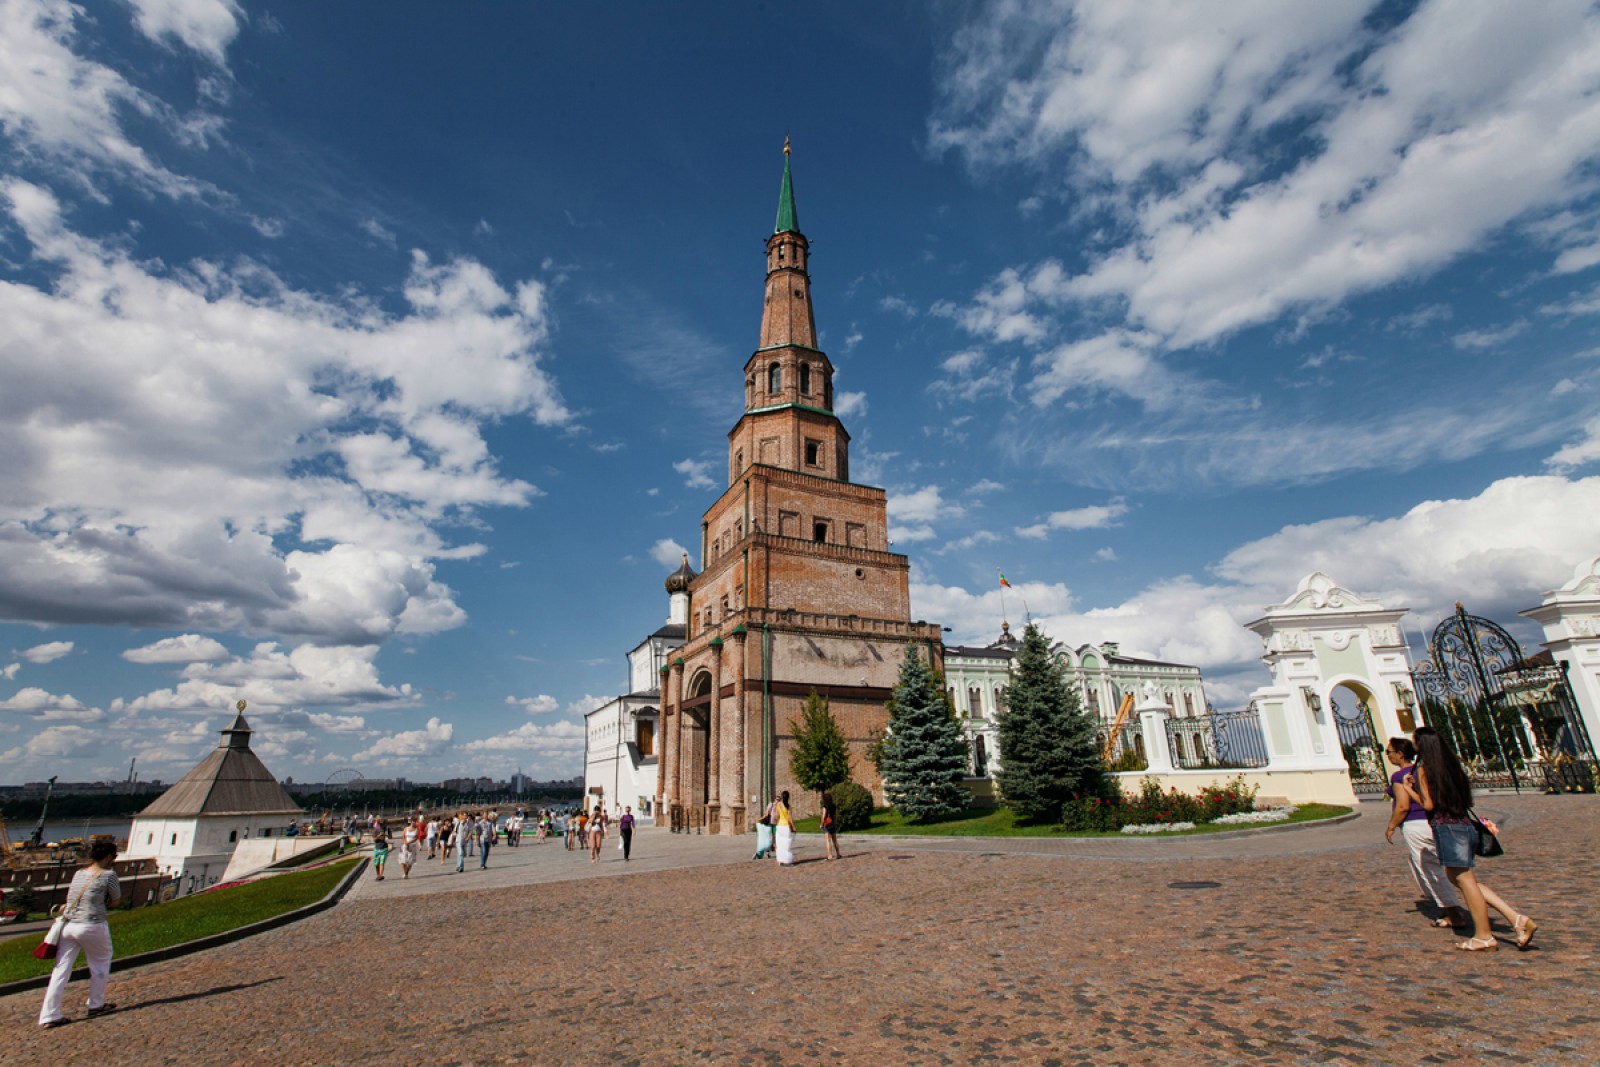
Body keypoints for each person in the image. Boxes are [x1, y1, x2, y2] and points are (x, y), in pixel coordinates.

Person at [1410, 726, 1539, 951]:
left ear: (1422, 744)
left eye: (1414, 741)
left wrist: (1410, 790)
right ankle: (1516, 918)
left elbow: (1429, 804)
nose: (1412, 744)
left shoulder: (1423, 769)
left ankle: (1484, 936)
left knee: (1465, 881)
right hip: (1464, 825)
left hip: (1446, 828)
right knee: (1466, 880)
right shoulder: (1451, 767)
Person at [37, 839, 122, 1028]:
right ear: (108, 857)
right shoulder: (109, 875)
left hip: (69, 926)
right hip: (92, 925)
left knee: (60, 970)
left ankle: (49, 1015)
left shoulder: (79, 873)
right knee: (100, 963)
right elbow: (116, 900)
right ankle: (96, 1004)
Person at [1383, 737, 1463, 927]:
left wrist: (1391, 826)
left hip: (1415, 824)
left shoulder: (1399, 776)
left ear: (1400, 754)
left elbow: (1403, 806)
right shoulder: (1423, 770)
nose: (1388, 756)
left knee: (1429, 868)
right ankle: (1452, 907)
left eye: (1389, 752)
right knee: (1438, 866)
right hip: (1433, 821)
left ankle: (1453, 913)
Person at [773, 790, 796, 867]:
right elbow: (790, 818)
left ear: (782, 797)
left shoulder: (778, 804)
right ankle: (787, 861)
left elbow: (777, 816)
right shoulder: (789, 806)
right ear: (788, 797)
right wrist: (793, 826)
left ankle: (780, 860)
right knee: (787, 845)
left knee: (780, 844)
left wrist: (777, 822)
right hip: (786, 826)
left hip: (780, 826)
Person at [820, 790, 842, 861]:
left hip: (827, 824)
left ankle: (829, 855)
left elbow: (824, 816)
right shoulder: (833, 805)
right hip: (833, 823)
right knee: (835, 840)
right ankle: (838, 854)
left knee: (828, 840)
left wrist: (821, 824)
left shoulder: (825, 807)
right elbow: (835, 814)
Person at [754, 795, 776, 860]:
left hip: (760, 845)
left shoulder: (759, 825)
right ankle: (768, 852)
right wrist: (772, 845)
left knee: (760, 854)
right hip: (768, 845)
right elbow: (772, 837)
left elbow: (757, 820)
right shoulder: (770, 827)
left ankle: (758, 854)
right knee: (768, 842)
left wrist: (764, 816)